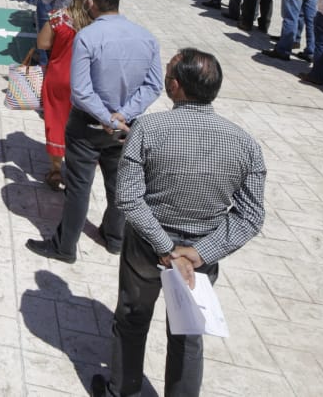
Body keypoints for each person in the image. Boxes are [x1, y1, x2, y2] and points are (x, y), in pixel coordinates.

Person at [96, 48, 267, 397]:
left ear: (174, 86)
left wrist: (166, 248)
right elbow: (250, 215)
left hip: (147, 247)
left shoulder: (148, 129)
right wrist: (198, 253)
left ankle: (122, 390)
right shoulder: (245, 144)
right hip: (200, 258)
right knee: (187, 333)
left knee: (132, 318)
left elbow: (128, 198)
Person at [27, 0, 162, 264]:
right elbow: (153, 85)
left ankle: (65, 246)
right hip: (126, 126)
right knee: (117, 183)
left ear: (90, 2)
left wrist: (107, 118)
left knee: (78, 186)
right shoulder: (146, 37)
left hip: (88, 123)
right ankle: (115, 237)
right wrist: (123, 116)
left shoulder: (88, 37)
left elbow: (81, 90)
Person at [35, 0, 98, 192]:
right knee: (82, 127)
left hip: (59, 76)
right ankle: (77, 169)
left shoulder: (60, 17)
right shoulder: (99, 23)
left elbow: (42, 43)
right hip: (88, 80)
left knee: (56, 121)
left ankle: (55, 169)